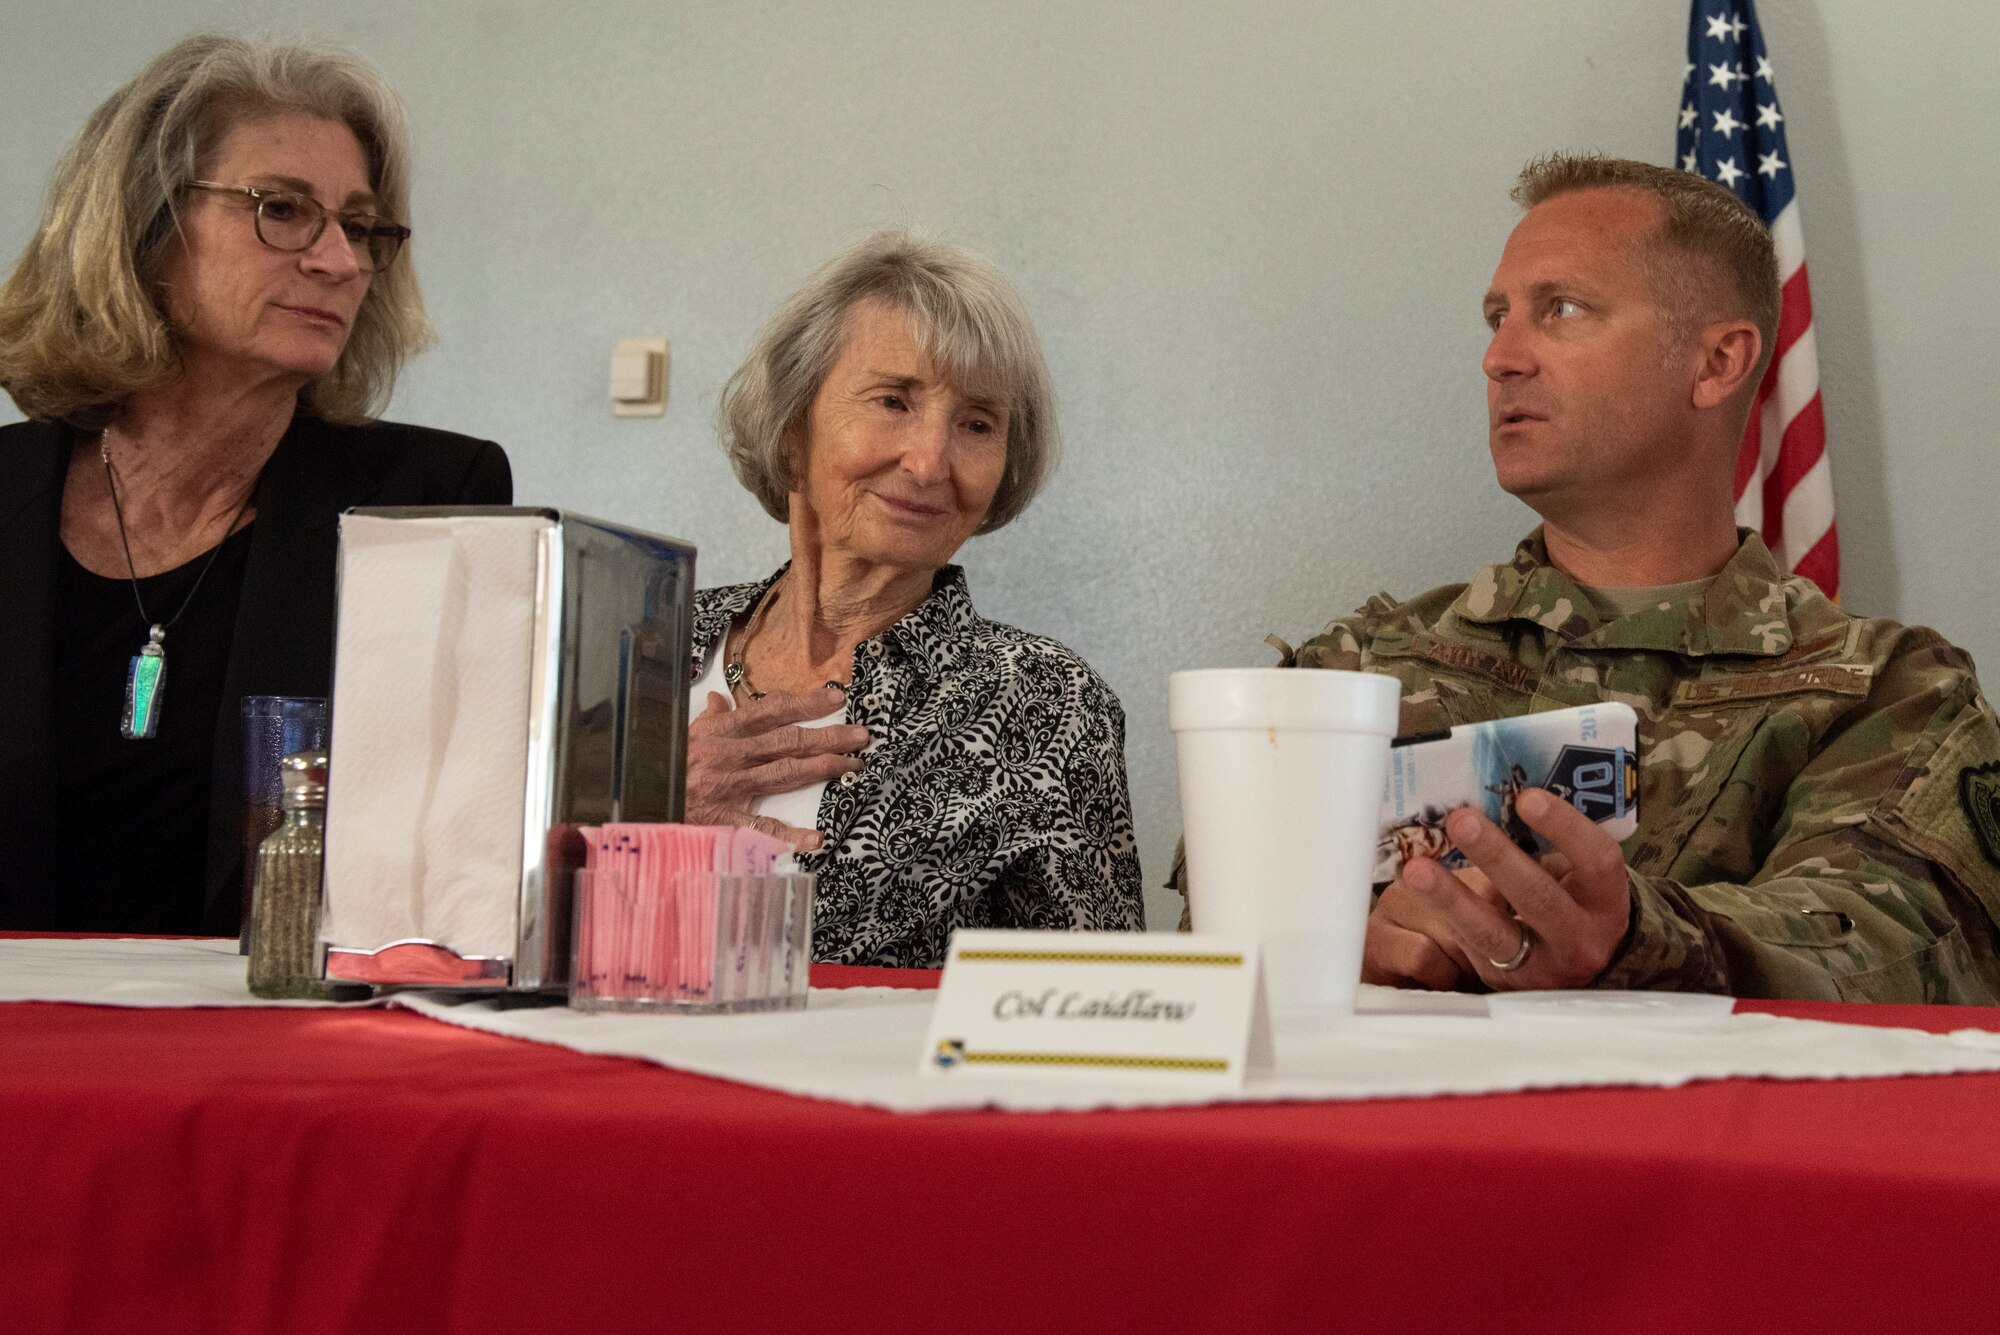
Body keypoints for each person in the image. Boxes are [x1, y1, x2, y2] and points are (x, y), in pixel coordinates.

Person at [1263, 154, 2000, 1003]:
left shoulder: (1888, 693)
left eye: (1561, 309)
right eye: (1497, 316)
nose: (1500, 357)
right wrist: (1338, 954)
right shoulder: (1358, 673)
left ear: (1718, 363)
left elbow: (1891, 950)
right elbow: (1223, 948)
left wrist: (1634, 941)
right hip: (1400, 1133)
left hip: (1722, 1135)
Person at [0, 34, 511, 935]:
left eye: (358, 226)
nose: (339, 261)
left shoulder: (426, 500)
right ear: (143, 226)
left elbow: (468, 839)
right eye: (282, 210)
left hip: (270, 1038)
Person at [688, 229, 1144, 967]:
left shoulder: (1048, 705)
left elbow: (1094, 1019)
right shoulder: (644, 645)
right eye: (894, 400)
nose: (931, 461)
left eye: (977, 424)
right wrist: (634, 816)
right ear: (792, 425)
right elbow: (479, 911)